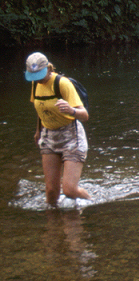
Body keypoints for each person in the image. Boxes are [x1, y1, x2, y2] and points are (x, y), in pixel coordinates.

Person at [25, 52, 90, 206]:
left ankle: (91, 202)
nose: (37, 79)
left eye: (40, 75)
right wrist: (38, 131)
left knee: (69, 190)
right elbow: (41, 108)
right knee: (51, 191)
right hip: (48, 135)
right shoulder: (35, 83)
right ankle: (52, 226)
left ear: (48, 68)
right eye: (34, 76)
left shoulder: (62, 83)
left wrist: (71, 110)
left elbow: (85, 115)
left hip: (71, 135)